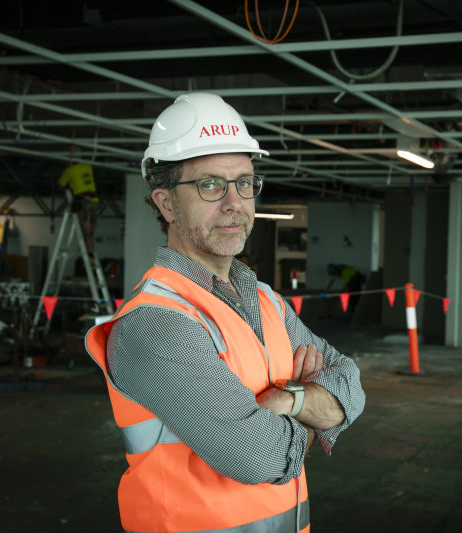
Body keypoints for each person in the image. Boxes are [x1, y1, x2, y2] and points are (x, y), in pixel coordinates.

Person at [85, 92, 365, 533]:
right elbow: (262, 457)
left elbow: (350, 380)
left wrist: (288, 401)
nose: (235, 202)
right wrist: (315, 408)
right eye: (210, 184)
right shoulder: (156, 323)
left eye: (245, 182)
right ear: (165, 203)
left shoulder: (267, 301)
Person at [58, 163, 99, 257]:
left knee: (86, 233)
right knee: (92, 222)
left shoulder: (69, 170)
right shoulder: (88, 166)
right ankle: (90, 240)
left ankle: (90, 253)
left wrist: (70, 187)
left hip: (83, 202)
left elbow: (60, 186)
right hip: (94, 200)